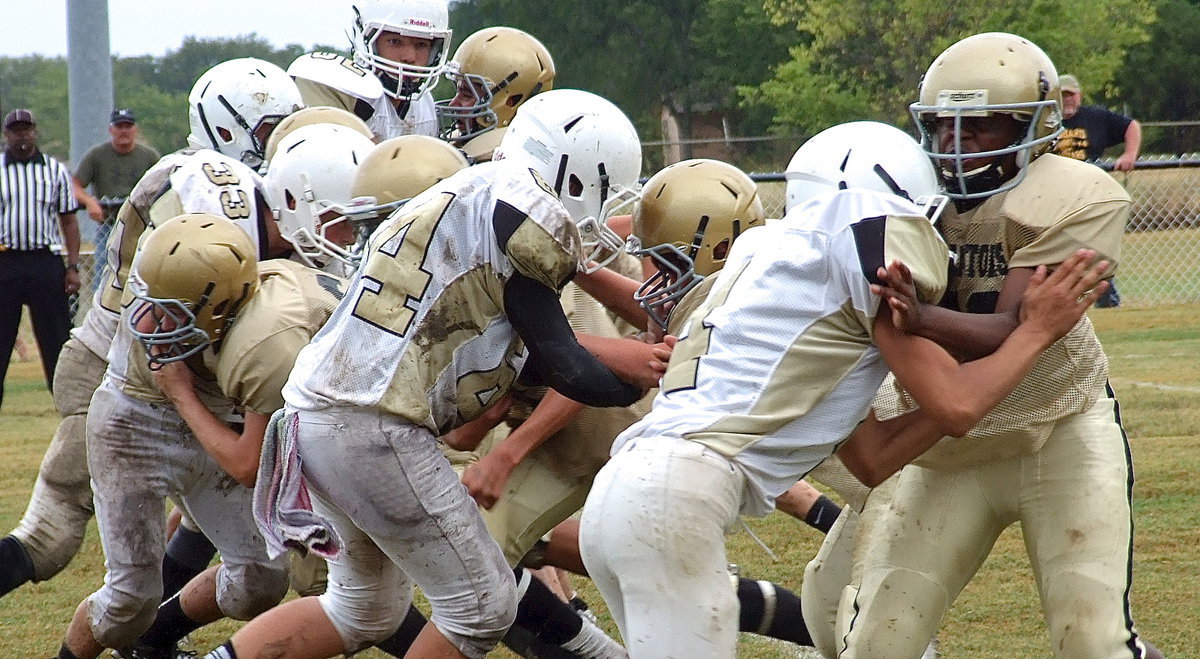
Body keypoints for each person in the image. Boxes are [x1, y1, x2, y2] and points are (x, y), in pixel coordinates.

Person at [577, 109, 1113, 657]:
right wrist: (1036, 332)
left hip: (621, 500)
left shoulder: (775, 267)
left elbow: (873, 457)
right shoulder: (858, 252)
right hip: (674, 498)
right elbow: (957, 406)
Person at [204, 89, 648, 659]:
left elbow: (517, 351)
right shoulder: (525, 215)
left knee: (364, 609)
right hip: (373, 425)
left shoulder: (474, 192)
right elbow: (563, 360)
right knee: (482, 604)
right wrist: (639, 381)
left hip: (319, 418)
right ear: (576, 174)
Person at [835, 32, 1160, 659]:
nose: (954, 148)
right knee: (877, 643)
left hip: (1058, 426)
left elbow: (1020, 327)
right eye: (944, 130)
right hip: (948, 445)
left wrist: (922, 318)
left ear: (1030, 127)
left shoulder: (1066, 193)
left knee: (1092, 642)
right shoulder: (905, 194)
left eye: (978, 129)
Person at [0, 59, 304, 605]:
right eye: (267, 133)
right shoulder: (197, 183)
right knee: (51, 534)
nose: (277, 147)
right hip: (116, 365)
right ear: (227, 127)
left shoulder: (231, 184)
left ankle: (150, 632)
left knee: (210, 518)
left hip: (163, 367)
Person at [0, 108, 80, 410]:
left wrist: (72, 266)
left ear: (35, 132)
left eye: (27, 129)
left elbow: (69, 220)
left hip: (44, 261)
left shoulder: (54, 170)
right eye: (16, 130)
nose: (22, 136)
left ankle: (66, 404)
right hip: (5, 260)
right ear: (7, 134)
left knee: (55, 338)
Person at [288, 0, 451, 141]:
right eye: (395, 41)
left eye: (421, 45)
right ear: (367, 41)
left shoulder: (425, 104)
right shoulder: (347, 91)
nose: (409, 57)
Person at [1053, 73, 1141, 307]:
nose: (1067, 100)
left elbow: (1131, 126)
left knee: (1094, 249)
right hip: (1053, 197)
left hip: (1089, 195)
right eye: (1062, 96)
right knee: (1056, 251)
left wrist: (1130, 154)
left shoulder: (1095, 117)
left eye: (1070, 95)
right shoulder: (1045, 120)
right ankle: (1061, 300)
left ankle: (1106, 300)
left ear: (1079, 95)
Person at [437, 25, 556, 161]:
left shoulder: (512, 163)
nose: (454, 104)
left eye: (467, 95)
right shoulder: (461, 142)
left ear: (511, 102)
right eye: (458, 91)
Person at [72, 108, 160, 290]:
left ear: (135, 129)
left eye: (128, 126)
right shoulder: (97, 155)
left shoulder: (149, 156)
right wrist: (90, 202)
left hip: (142, 225)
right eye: (119, 126)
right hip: (109, 224)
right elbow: (74, 185)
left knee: (146, 268)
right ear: (111, 129)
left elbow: (164, 184)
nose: (124, 131)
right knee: (105, 270)